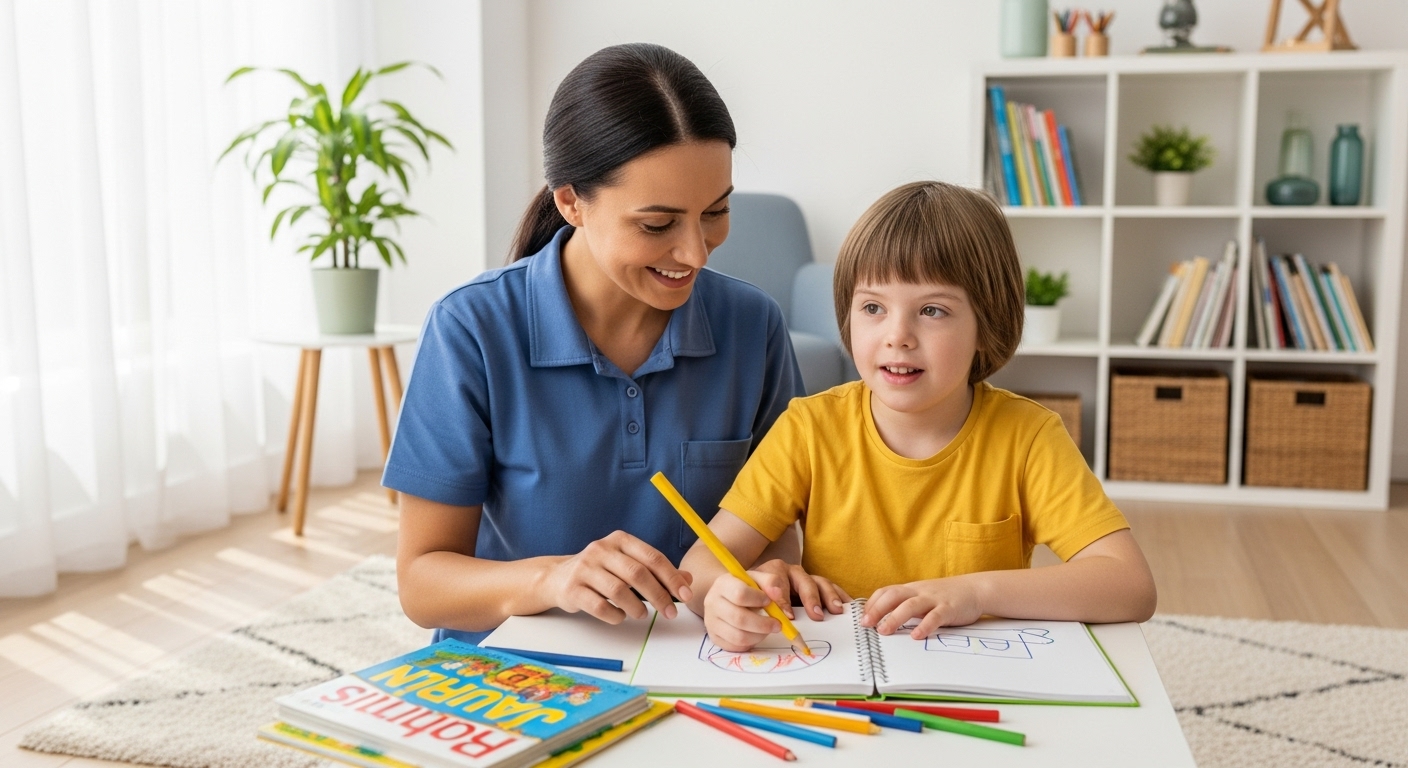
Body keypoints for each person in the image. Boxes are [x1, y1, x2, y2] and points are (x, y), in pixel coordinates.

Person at [386, 43, 805, 644]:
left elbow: (779, 524)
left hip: (703, 660)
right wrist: (554, 579)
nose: (695, 252)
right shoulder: (470, 330)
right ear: (570, 202)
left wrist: (769, 578)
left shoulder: (753, 325)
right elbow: (422, 585)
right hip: (521, 670)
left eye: (714, 211)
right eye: (656, 225)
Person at [681, 181, 1157, 651]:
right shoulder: (809, 428)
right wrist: (720, 597)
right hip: (843, 676)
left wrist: (976, 591)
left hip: (980, 676)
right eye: (872, 307)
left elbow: (1130, 585)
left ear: (986, 326)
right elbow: (705, 559)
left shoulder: (1029, 437)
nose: (897, 335)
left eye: (931, 310)